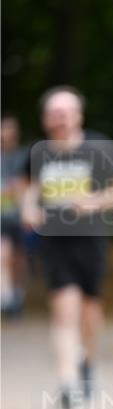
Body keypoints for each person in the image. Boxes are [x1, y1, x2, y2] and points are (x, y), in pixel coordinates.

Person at [21, 86, 113, 409]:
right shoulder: (38, 152)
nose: (60, 119)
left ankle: (87, 361)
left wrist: (94, 202)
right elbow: (30, 190)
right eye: (54, 113)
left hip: (91, 240)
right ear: (45, 119)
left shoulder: (98, 147)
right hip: (54, 242)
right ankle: (68, 381)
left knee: (89, 311)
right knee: (64, 310)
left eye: (66, 112)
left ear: (78, 115)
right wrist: (29, 210)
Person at [1, 114, 29, 316]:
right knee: (2, 253)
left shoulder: (24, 156)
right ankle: (6, 297)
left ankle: (17, 294)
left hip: (21, 216)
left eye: (10, 128)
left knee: (19, 258)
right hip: (1, 215)